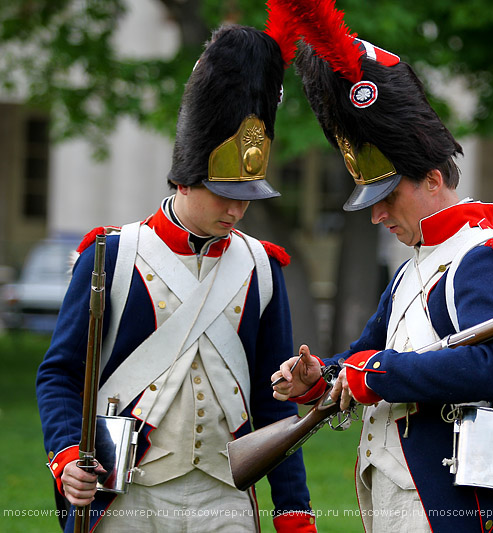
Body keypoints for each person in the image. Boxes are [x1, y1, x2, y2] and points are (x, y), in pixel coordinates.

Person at [36, 24, 317, 533]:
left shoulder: (262, 268)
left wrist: (293, 509)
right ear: (186, 176)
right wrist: (65, 457)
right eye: (223, 191)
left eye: (247, 195)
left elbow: (274, 401)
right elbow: (61, 374)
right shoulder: (111, 255)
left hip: (225, 494)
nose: (237, 208)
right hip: (129, 493)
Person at [272, 7, 493, 531]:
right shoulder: (412, 267)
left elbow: (490, 367)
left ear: (433, 179)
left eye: (389, 195)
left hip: (451, 501)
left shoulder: (487, 257)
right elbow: (362, 356)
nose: (377, 213)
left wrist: (380, 375)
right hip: (393, 492)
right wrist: (318, 377)